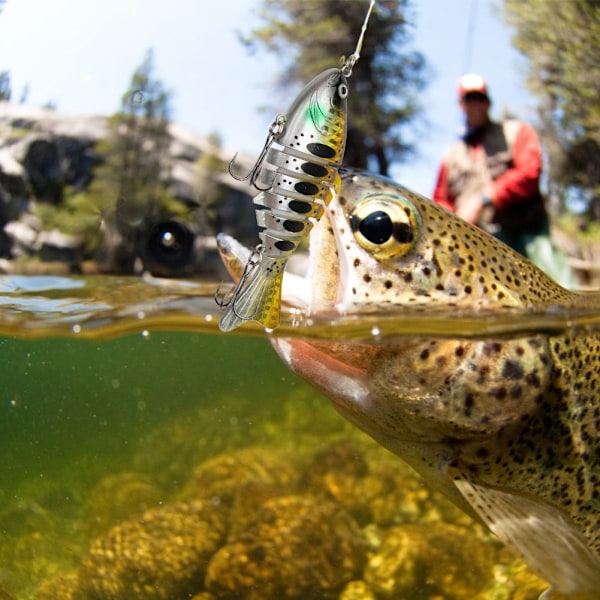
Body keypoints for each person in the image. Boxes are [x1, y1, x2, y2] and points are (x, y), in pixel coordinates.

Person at [432, 73, 577, 288]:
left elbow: (530, 172)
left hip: (528, 237)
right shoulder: (450, 157)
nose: (476, 104)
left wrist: (485, 198)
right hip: (480, 251)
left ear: (488, 102)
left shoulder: (516, 132)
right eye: (469, 99)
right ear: (461, 104)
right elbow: (440, 201)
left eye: (480, 98)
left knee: (561, 293)